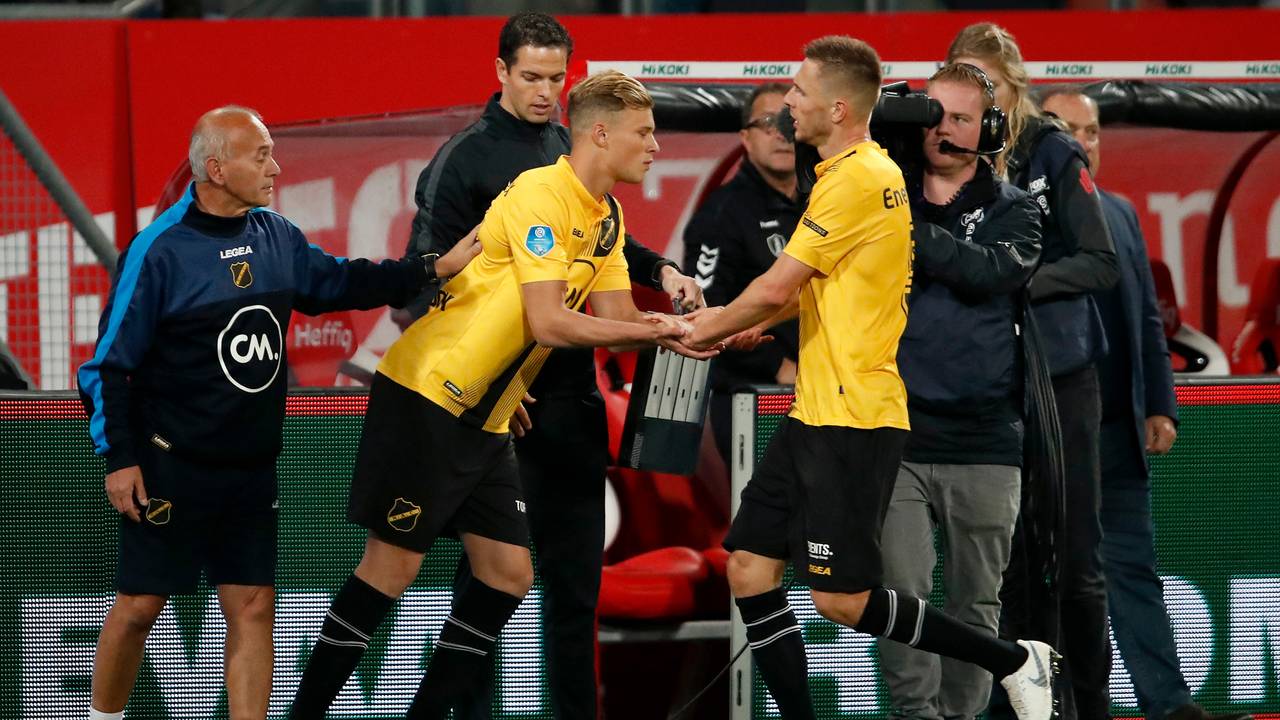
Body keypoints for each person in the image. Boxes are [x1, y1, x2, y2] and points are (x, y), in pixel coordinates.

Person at [289, 70, 714, 720]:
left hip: (489, 415)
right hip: (429, 396)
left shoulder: (606, 216)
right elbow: (550, 323)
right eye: (645, 132)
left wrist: (696, 330)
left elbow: (619, 316)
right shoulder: (541, 195)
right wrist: (661, 331)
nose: (656, 146)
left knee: (507, 576)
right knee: (389, 571)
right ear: (601, 134)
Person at [685, 35, 1058, 720]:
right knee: (750, 569)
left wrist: (699, 329)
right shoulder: (847, 174)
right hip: (815, 411)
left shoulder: (860, 178)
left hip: (853, 419)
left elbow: (775, 285)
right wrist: (745, 326)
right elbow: (811, 287)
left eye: (798, 91)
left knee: (842, 600)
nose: (787, 104)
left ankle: (1013, 660)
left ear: (836, 107)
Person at [76, 106, 476, 720]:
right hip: (170, 468)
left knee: (254, 605)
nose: (276, 168)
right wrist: (119, 458)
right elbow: (106, 367)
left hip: (250, 470)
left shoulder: (277, 236)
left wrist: (432, 268)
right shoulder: (158, 251)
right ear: (216, 168)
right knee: (138, 608)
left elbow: (344, 282)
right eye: (261, 155)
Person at [402, 15, 703, 718]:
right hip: (496, 410)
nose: (544, 91)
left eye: (555, 77)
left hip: (569, 399)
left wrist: (663, 272)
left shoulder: (579, 148)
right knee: (485, 592)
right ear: (501, 72)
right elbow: (426, 281)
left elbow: (610, 244)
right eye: (530, 76)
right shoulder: (462, 161)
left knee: (576, 593)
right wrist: (491, 381)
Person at [1041, 88, 1253, 720]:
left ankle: (1169, 706)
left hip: (1117, 429)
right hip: (1052, 434)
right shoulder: (1026, 215)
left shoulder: (1123, 212)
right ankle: (1068, 706)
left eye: (1093, 131)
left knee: (1133, 570)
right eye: (1068, 130)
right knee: (1056, 580)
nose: (1083, 143)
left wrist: (1160, 403)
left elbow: (1144, 320)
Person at [946, 23, 1119, 720]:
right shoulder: (945, 155)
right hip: (991, 383)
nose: (979, 98)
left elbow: (1100, 261)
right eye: (966, 84)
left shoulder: (1052, 150)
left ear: (1016, 88)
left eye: (989, 84)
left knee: (1074, 560)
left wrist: (1016, 279)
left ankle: (1092, 706)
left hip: (1061, 379)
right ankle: (1023, 709)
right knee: (1004, 566)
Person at [879, 63, 1042, 720]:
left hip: (986, 439)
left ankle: (963, 717)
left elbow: (988, 271)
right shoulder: (883, 190)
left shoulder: (1016, 208)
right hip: (899, 432)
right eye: (934, 115)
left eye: (962, 119)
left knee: (977, 602)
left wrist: (902, 228)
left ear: (991, 130)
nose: (943, 130)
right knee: (902, 595)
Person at [682, 81, 801, 464]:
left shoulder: (827, 202)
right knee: (767, 503)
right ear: (745, 138)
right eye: (767, 123)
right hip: (754, 396)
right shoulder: (721, 215)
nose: (780, 134)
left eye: (788, 122)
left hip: (827, 391)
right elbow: (702, 313)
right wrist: (777, 366)